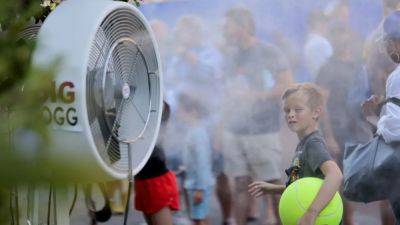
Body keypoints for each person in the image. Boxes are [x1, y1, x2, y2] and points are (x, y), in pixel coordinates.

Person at [219, 7, 293, 225]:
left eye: (228, 25)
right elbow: (225, 94)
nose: (223, 29)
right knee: (241, 185)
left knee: (271, 185)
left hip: (263, 130)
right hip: (234, 131)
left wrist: (255, 96)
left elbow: (287, 87)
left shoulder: (269, 52)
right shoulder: (230, 56)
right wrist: (220, 128)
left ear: (243, 27)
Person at [248, 83, 343, 225]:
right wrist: (273, 189)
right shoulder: (303, 144)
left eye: (298, 109)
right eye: (287, 110)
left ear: (316, 112)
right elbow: (302, 186)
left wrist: (312, 212)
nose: (291, 114)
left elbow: (335, 175)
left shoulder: (313, 144)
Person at [361, 11, 400, 224]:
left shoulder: (396, 77)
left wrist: (370, 114)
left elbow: (393, 132)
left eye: (387, 42)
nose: (386, 49)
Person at [133, 102, 180, 225]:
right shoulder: (131, 110)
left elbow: (163, 107)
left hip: (157, 180)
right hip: (141, 178)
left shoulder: (158, 106)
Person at [179, 93, 215, 225]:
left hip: (198, 184)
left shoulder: (198, 134)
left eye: (182, 111)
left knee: (199, 219)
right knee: (200, 215)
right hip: (194, 182)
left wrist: (200, 188)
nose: (180, 114)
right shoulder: (193, 130)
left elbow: (202, 162)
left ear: (193, 112)